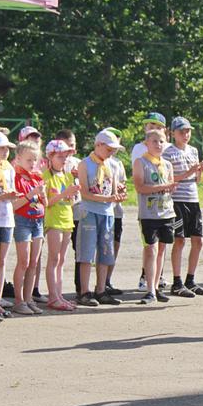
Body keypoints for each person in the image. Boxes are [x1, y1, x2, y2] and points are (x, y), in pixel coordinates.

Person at [75, 130, 127, 307]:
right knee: (86, 253)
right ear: (98, 145)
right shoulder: (85, 164)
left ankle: (101, 289)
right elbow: (84, 193)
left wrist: (118, 194)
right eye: (109, 148)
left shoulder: (112, 165)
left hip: (107, 213)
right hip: (89, 212)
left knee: (106, 252)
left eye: (113, 149)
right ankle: (84, 292)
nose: (111, 152)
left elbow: (112, 191)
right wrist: (108, 199)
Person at [164, 117, 203, 298]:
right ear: (173, 133)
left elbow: (197, 181)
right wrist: (189, 172)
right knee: (179, 240)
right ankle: (177, 281)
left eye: (188, 131)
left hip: (193, 199)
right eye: (181, 131)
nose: (186, 135)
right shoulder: (168, 152)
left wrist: (199, 172)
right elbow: (168, 179)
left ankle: (191, 279)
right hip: (177, 201)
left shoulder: (193, 151)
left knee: (198, 240)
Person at [133, 130, 177, 304]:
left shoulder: (167, 164)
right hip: (148, 213)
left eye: (161, 141)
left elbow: (170, 185)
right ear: (147, 143)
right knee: (151, 248)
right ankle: (149, 288)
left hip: (166, 212)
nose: (158, 145)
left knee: (162, 250)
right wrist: (163, 186)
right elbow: (140, 187)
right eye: (154, 141)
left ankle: (157, 286)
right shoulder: (140, 162)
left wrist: (169, 187)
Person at [42, 140, 81, 311]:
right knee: (53, 258)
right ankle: (53, 296)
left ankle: (59, 294)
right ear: (50, 156)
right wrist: (65, 194)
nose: (64, 159)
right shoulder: (46, 176)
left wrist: (72, 195)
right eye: (60, 156)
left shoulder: (67, 175)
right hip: (53, 220)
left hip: (67, 219)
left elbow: (70, 201)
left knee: (62, 260)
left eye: (66, 156)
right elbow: (46, 202)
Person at [132, 112, 168, 291]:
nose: (152, 128)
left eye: (156, 125)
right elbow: (141, 180)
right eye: (149, 125)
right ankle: (145, 278)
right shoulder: (140, 149)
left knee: (162, 245)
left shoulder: (165, 149)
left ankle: (158, 277)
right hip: (148, 206)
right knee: (149, 245)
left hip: (165, 205)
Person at [11, 141, 46, 315]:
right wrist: (31, 194)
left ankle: (28, 298)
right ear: (18, 159)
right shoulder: (15, 178)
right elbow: (15, 205)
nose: (32, 163)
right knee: (23, 262)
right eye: (28, 160)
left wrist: (43, 196)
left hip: (38, 222)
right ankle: (19, 301)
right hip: (23, 221)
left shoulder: (37, 178)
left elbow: (44, 203)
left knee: (34, 262)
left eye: (35, 160)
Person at [0, 131, 20, 321]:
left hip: (7, 219)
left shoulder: (9, 168)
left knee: (2, 261)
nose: (5, 152)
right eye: (1, 148)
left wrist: (12, 195)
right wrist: (3, 196)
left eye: (7, 148)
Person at [54, 129, 84, 296]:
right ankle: (54, 292)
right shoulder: (54, 164)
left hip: (78, 211)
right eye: (67, 146)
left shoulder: (79, 163)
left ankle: (81, 289)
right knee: (57, 256)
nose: (70, 151)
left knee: (79, 251)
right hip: (59, 213)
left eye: (73, 146)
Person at [101, 128, 127, 295]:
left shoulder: (118, 163)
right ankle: (99, 283)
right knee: (101, 246)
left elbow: (123, 184)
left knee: (114, 245)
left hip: (116, 211)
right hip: (102, 209)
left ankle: (108, 280)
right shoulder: (96, 162)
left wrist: (121, 189)